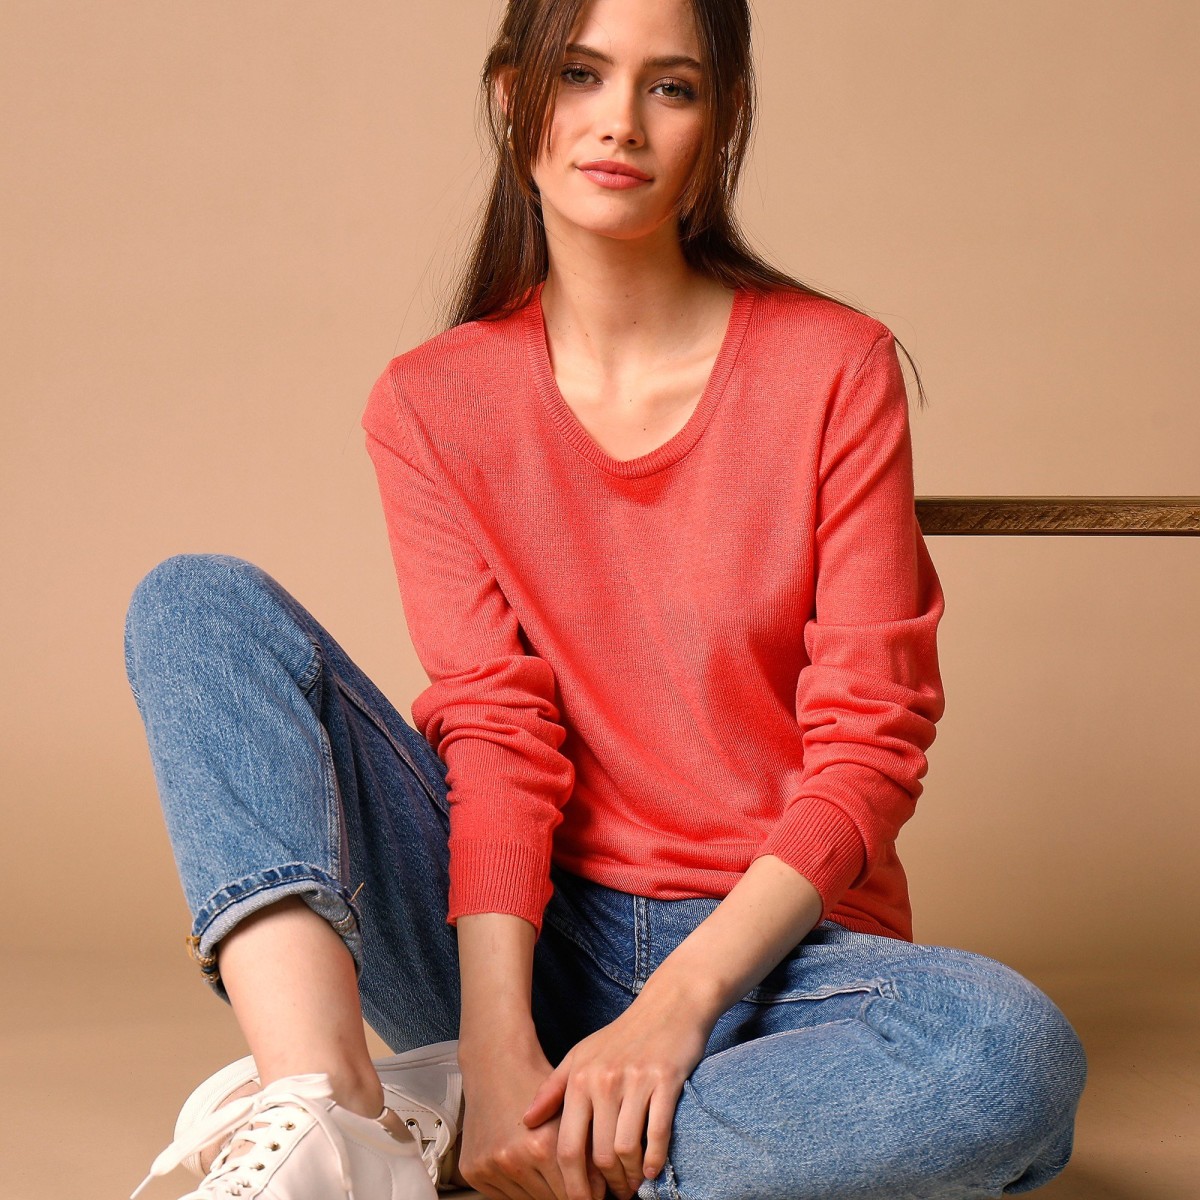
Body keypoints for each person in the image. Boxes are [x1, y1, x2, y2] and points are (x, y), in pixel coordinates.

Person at [122, 1, 1088, 1198]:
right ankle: (334, 1115)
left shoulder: (834, 367)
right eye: (580, 74)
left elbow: (868, 749)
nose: (620, 122)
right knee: (197, 607)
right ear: (511, 97)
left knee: (1010, 1059)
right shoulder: (432, 402)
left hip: (776, 965)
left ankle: (512, 1135)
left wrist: (675, 1012)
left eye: (670, 87)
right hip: (519, 941)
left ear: (720, 121)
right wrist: (495, 1038)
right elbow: (497, 735)